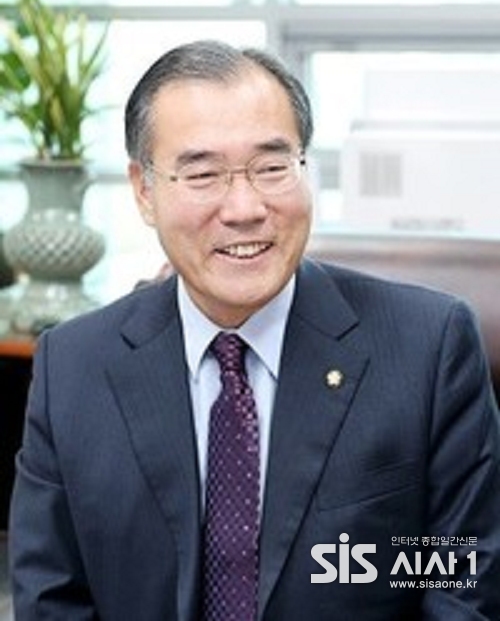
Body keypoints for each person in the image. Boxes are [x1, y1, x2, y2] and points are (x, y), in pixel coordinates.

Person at [8, 39, 500, 620]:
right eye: (203, 174)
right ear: (143, 190)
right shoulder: (73, 366)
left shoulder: (427, 347)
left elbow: (461, 587)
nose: (244, 208)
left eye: (271, 168)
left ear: (305, 168)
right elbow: (52, 599)